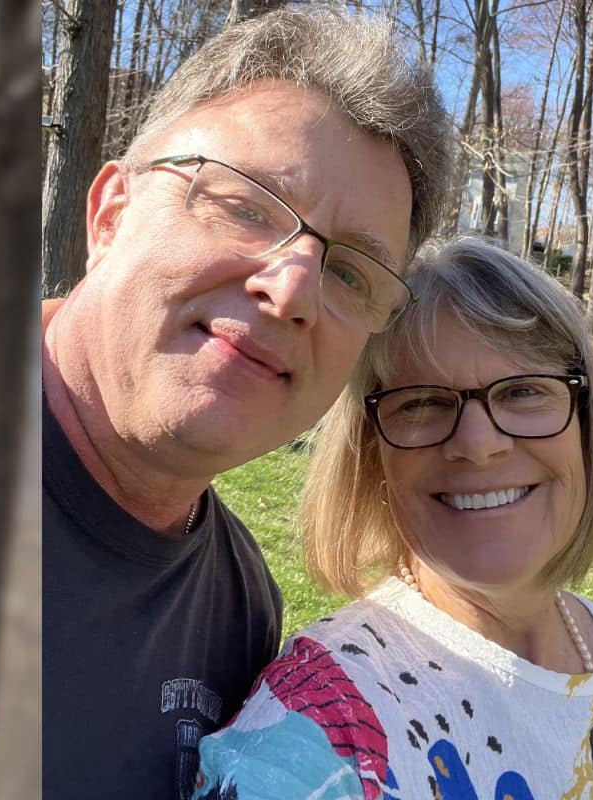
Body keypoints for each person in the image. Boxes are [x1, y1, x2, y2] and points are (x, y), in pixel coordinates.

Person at [41, 7, 453, 799]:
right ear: (110, 215)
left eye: (350, 273)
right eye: (245, 206)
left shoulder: (239, 611)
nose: (292, 289)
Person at [193, 238, 593, 799]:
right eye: (422, 402)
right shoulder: (318, 732)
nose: (478, 444)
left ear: (585, 426)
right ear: (371, 453)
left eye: (524, 391)